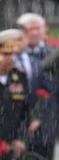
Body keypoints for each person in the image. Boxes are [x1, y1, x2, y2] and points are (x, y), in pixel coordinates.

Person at [17, 13, 59, 160]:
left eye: (38, 28)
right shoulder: (13, 56)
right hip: (17, 121)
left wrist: (41, 116)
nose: (34, 32)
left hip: (48, 123)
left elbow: (58, 89)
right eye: (30, 29)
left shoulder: (57, 53)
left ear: (45, 29)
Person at [0, 29, 29, 159]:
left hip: (12, 143)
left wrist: (19, 138)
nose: (10, 58)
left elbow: (24, 111)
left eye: (12, 54)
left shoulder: (19, 76)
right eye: (5, 54)